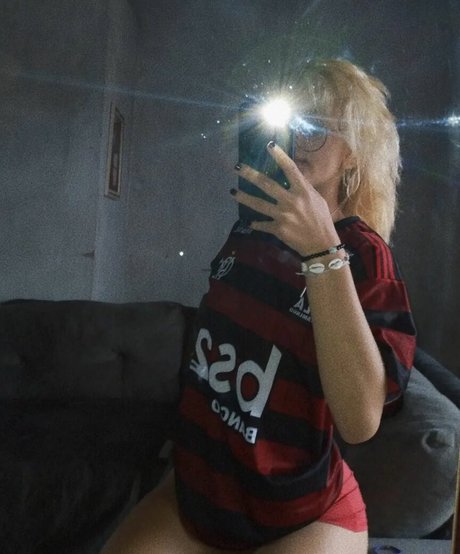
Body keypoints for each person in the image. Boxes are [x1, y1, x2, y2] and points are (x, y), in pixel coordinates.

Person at [101, 59, 416, 554]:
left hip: (298, 516)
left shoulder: (363, 256)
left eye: (314, 126)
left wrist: (322, 254)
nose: (295, 138)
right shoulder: (249, 230)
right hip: (197, 496)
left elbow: (360, 421)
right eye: (289, 120)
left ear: (352, 154)